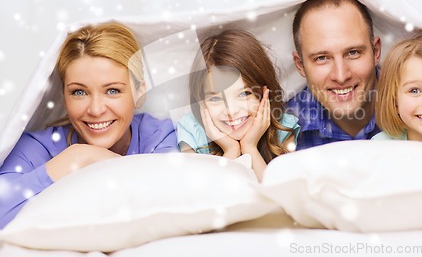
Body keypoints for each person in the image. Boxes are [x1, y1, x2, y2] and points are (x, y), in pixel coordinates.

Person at [0, 22, 178, 228]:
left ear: (140, 92)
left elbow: (165, 203)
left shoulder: (162, 136)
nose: (95, 110)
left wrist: (105, 162)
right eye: (79, 92)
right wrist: (77, 157)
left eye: (112, 91)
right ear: (64, 97)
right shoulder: (37, 146)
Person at [176, 30, 300, 181]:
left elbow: (278, 195)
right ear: (201, 101)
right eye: (215, 99)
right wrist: (231, 150)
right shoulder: (191, 132)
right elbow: (207, 197)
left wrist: (250, 148)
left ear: (264, 93)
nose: (231, 111)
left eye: (244, 94)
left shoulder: (282, 127)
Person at [287, 0, 382, 150]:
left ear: (376, 52)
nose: (341, 76)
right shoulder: (283, 130)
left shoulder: (421, 107)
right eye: (322, 58)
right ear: (300, 65)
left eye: (353, 53)